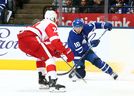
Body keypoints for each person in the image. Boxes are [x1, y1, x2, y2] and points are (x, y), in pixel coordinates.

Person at [17, 10, 74, 92]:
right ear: (53, 18)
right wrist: (66, 51)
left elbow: (47, 44)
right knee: (50, 59)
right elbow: (55, 41)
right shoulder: (50, 23)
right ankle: (53, 84)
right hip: (31, 38)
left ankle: (42, 81)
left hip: (22, 42)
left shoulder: (41, 23)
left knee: (41, 57)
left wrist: (55, 50)